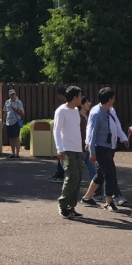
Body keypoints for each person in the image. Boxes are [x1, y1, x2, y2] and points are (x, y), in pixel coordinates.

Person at [81, 88, 122, 212]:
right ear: (109, 99)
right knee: (109, 173)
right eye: (113, 98)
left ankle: (87, 197)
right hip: (100, 147)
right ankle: (109, 201)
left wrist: (123, 138)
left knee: (100, 175)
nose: (114, 100)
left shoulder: (109, 111)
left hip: (109, 146)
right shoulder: (97, 112)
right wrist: (92, 152)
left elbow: (116, 126)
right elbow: (92, 134)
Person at [54, 86, 84, 219]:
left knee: (78, 179)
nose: (82, 98)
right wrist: (60, 149)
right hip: (67, 149)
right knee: (73, 177)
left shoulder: (76, 110)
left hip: (78, 149)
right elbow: (56, 130)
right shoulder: (61, 110)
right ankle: (63, 204)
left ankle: (71, 207)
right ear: (75, 97)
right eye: (80, 95)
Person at [3, 89, 25, 159]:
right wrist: (4, 122)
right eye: (11, 94)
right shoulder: (7, 102)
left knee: (16, 138)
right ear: (9, 95)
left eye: (13, 94)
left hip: (15, 121)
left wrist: (15, 109)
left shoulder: (18, 102)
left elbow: (22, 114)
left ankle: (17, 154)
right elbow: (5, 113)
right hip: (8, 122)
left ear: (15, 94)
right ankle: (13, 153)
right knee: (11, 138)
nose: (12, 96)